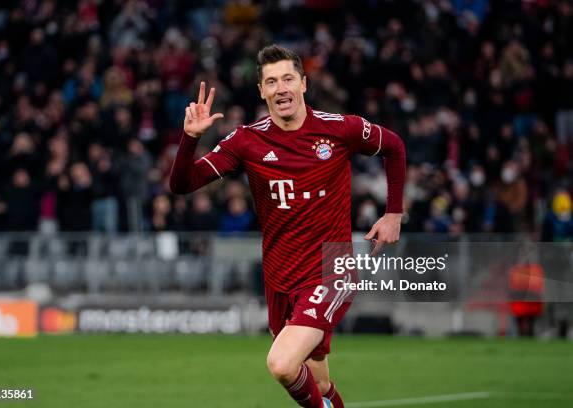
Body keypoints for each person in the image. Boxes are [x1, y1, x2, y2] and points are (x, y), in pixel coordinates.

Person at [170, 45, 406, 408]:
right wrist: (190, 139)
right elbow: (182, 184)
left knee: (281, 364)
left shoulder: (339, 129)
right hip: (280, 277)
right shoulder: (246, 141)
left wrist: (393, 213)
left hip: (331, 269)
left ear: (303, 84)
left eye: (287, 79)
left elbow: (394, 146)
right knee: (320, 383)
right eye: (271, 82)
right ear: (261, 92)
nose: (281, 88)